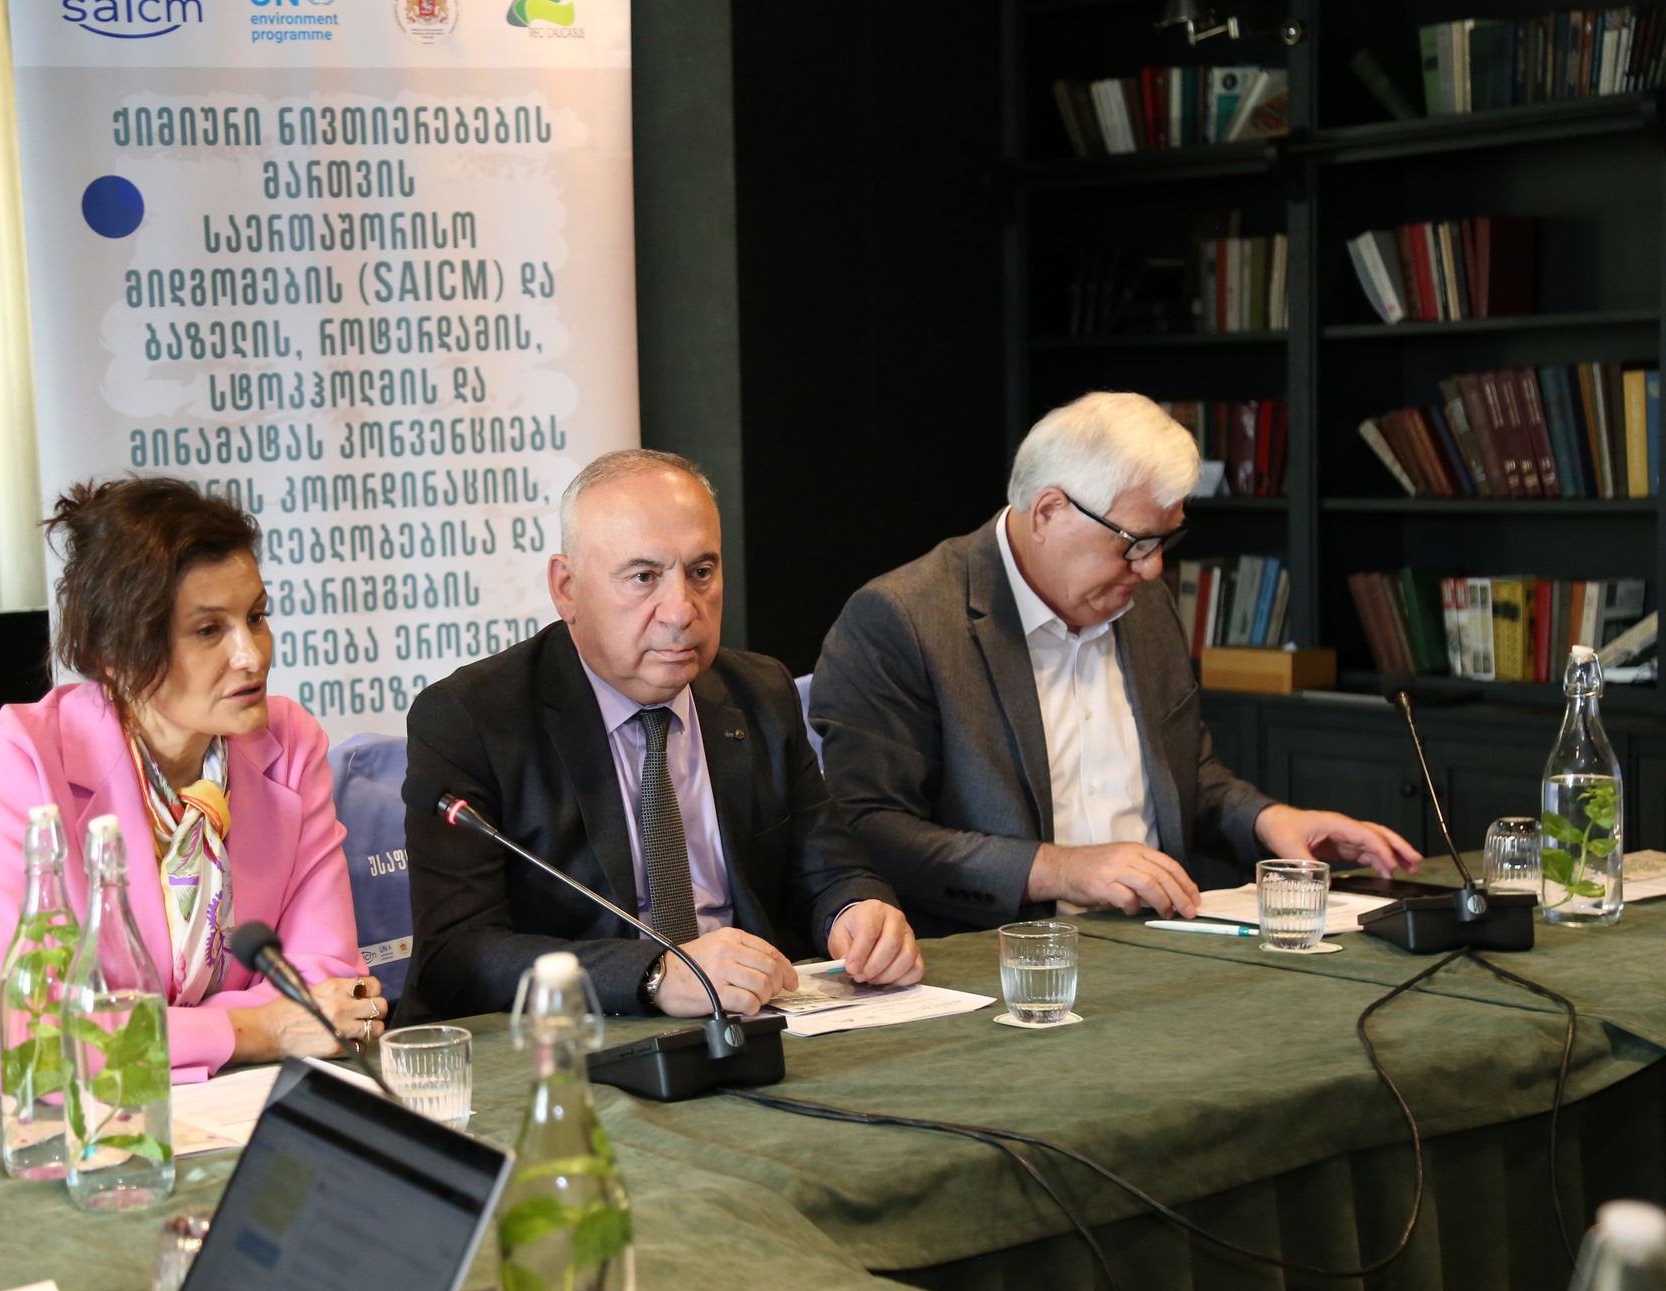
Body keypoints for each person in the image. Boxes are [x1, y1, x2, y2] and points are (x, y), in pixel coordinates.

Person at [0, 478, 378, 1120]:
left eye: (256, 617)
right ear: (117, 652)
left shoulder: (288, 744)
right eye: (208, 630)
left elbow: (328, 989)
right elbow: (30, 1044)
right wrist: (254, 1029)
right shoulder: (17, 766)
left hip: (215, 1110)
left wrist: (140, 1036)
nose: (251, 655)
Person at [811, 392, 1421, 936]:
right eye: (1134, 542)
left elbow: (1185, 777)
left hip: (1162, 940)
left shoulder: (1141, 603)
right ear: (1048, 511)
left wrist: (1269, 821)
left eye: (1164, 541)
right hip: (1004, 960)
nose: (1152, 569)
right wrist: (1059, 869)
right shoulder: (903, 619)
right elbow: (868, 828)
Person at [400, 450, 924, 1021]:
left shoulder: (759, 693)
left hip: (752, 1023)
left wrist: (856, 913)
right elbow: (458, 954)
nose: (681, 611)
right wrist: (653, 975)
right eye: (643, 577)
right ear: (567, 588)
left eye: (701, 573)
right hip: (576, 1038)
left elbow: (828, 869)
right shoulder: (472, 719)